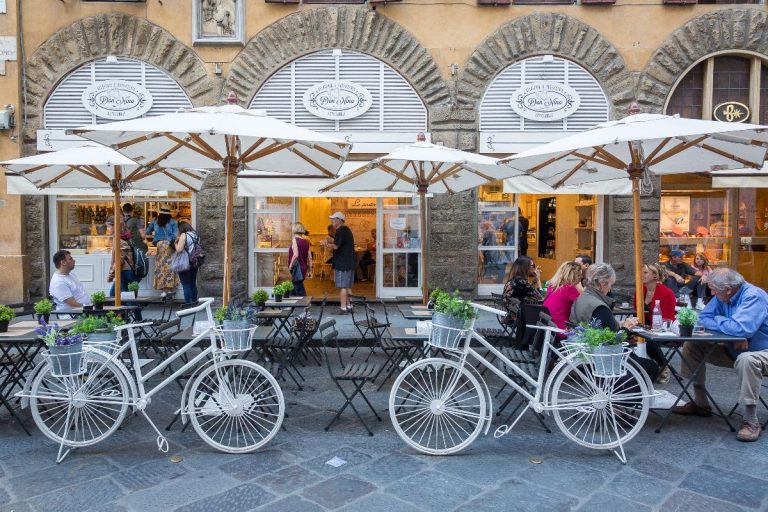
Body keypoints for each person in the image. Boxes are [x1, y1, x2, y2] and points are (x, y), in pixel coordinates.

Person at [673, 268, 768, 442]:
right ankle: (701, 403)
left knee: (747, 360)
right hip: (735, 349)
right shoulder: (722, 296)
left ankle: (751, 420)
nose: (712, 293)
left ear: (728, 288)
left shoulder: (754, 296)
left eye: (713, 289)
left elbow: (741, 329)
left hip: (762, 352)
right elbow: (703, 318)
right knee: (692, 345)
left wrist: (730, 328)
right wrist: (732, 332)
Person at [570, 263, 639, 332]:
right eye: (610, 284)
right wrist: (626, 328)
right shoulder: (600, 307)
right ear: (603, 283)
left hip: (577, 340)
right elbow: (612, 340)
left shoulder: (582, 297)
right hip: (591, 342)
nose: (610, 289)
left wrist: (617, 324)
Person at [637, 263, 676, 381]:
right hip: (644, 328)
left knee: (648, 340)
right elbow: (636, 313)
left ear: (655, 275)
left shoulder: (667, 293)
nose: (641, 275)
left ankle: (664, 366)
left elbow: (667, 318)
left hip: (664, 329)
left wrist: (648, 329)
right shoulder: (640, 291)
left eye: (645, 273)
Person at [321, 212, 355, 313]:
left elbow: (336, 246)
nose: (332, 221)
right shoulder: (346, 230)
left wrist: (326, 243)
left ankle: (343, 308)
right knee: (347, 286)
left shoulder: (340, 231)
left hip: (342, 263)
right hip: (348, 263)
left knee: (343, 287)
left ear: (339, 220)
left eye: (333, 219)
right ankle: (350, 306)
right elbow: (338, 244)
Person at [146, 206, 179, 297]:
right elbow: (175, 235)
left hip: (159, 246)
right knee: (169, 268)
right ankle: (169, 290)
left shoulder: (155, 221)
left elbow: (147, 232)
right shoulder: (173, 222)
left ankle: (163, 290)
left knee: (160, 268)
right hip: (169, 246)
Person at [543, 261, 583, 330]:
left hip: (549, 327)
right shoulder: (569, 288)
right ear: (572, 276)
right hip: (561, 329)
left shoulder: (552, 286)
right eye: (579, 275)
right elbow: (583, 306)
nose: (581, 277)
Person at [175, 221, 200, 304]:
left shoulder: (184, 235)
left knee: (186, 284)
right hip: (194, 261)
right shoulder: (195, 234)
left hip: (185, 262)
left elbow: (179, 249)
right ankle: (195, 302)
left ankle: (188, 304)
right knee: (192, 283)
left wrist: (175, 243)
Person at [108, 230, 137, 297]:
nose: (108, 229)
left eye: (109, 226)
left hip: (123, 271)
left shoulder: (120, 241)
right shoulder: (127, 240)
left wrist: (111, 275)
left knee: (122, 295)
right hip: (127, 270)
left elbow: (119, 260)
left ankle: (134, 307)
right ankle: (133, 306)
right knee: (119, 294)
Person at [287, 222, 312, 297]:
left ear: (294, 229)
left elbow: (295, 255)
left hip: (297, 268)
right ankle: (292, 305)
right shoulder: (306, 242)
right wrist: (310, 271)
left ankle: (305, 304)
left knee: (299, 289)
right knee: (294, 288)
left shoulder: (295, 240)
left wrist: (290, 265)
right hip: (303, 268)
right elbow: (310, 258)